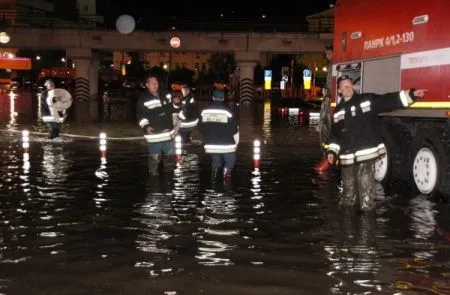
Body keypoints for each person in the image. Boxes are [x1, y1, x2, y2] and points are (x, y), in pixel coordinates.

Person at [326, 75, 426, 211]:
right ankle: (346, 222)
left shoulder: (366, 100)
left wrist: (411, 95)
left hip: (365, 155)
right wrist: (332, 151)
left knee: (365, 190)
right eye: (344, 86)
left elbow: (388, 100)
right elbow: (335, 135)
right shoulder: (338, 111)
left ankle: (367, 222)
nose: (348, 88)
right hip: (346, 158)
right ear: (339, 91)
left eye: (349, 85)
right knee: (348, 192)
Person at [137, 74, 176, 175]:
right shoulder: (143, 99)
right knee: (154, 163)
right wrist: (146, 126)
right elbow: (141, 116)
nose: (155, 85)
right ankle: (154, 184)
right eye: (152, 83)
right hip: (154, 136)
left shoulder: (166, 94)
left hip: (168, 135)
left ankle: (169, 181)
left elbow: (173, 108)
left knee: (170, 161)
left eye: (156, 82)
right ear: (147, 85)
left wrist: (177, 103)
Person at [199, 89, 239, 182]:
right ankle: (227, 177)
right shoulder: (228, 111)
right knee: (230, 161)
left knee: (216, 163)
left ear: (213, 98)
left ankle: (215, 179)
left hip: (211, 145)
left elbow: (200, 126)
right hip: (227, 145)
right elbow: (234, 130)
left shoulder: (204, 111)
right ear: (223, 98)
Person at [318, 45, 334, 152]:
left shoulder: (333, 66)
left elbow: (331, 84)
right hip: (328, 98)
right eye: (326, 54)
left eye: (329, 54)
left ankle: (327, 150)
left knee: (327, 123)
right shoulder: (330, 66)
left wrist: (328, 96)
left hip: (329, 99)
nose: (327, 56)